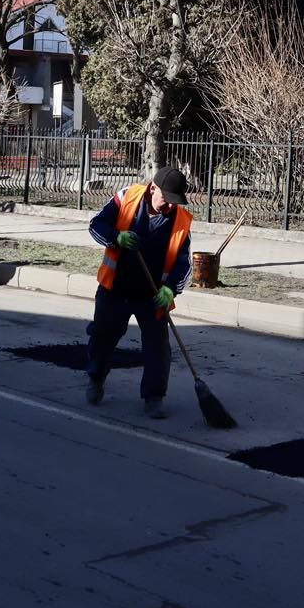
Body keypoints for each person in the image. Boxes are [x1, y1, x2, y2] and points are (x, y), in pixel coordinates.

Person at [85, 166, 193, 419]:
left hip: (151, 295)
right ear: (153, 188)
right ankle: (96, 378)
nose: (169, 207)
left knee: (158, 347)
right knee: (103, 338)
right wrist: (116, 238)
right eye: (166, 200)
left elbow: (183, 264)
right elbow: (96, 225)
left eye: (174, 202)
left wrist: (170, 290)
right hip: (115, 289)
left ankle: (154, 397)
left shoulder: (180, 219)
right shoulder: (126, 198)